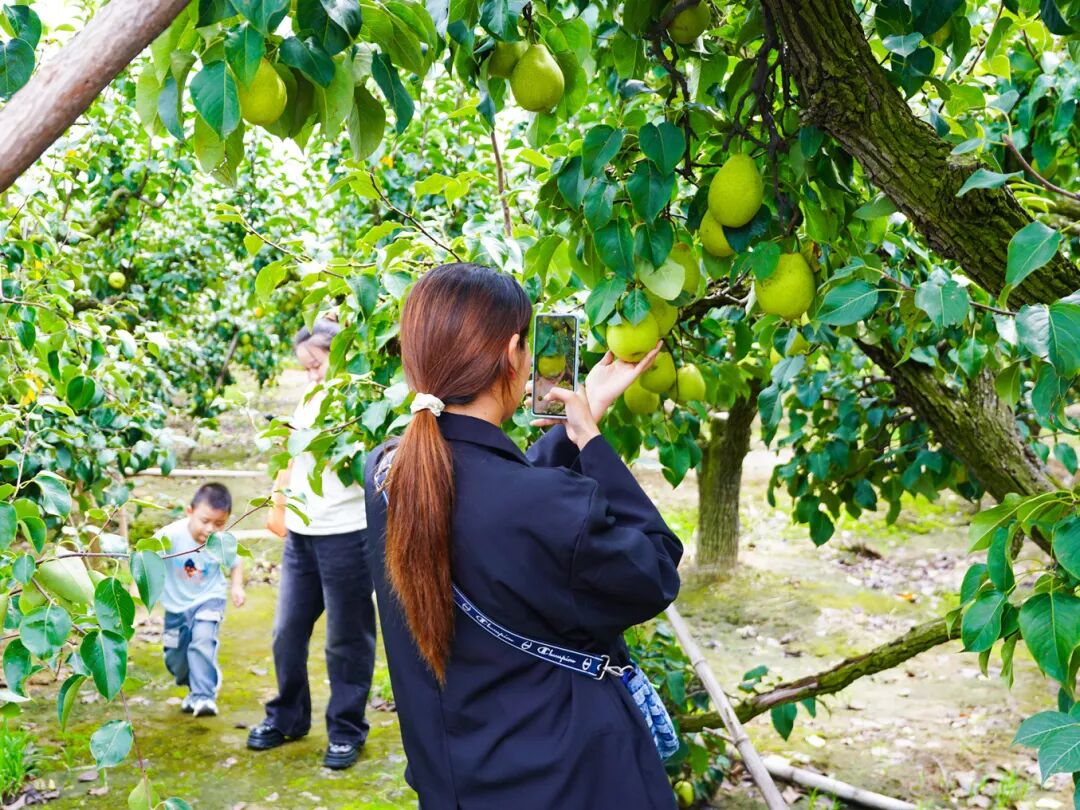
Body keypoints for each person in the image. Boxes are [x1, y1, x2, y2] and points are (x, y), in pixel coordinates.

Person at [364, 263, 683, 809]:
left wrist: (579, 420)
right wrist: (592, 443)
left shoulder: (388, 473)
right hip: (565, 777)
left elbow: (498, 504)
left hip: (458, 779)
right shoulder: (539, 504)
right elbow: (654, 570)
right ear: (512, 352)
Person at [247, 316, 376, 771]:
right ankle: (288, 716)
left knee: (346, 640)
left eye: (316, 363)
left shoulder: (363, 400)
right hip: (303, 536)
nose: (311, 374)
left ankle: (346, 730)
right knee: (287, 633)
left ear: (340, 354)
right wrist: (279, 503)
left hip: (346, 534)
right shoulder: (309, 397)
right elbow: (292, 455)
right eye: (305, 366)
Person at [159, 482, 245, 719]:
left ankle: (204, 695)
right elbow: (145, 558)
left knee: (202, 642)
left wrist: (237, 587)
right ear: (189, 512)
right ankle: (196, 687)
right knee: (175, 659)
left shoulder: (221, 542)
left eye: (219, 524)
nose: (210, 529)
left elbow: (236, 563)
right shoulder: (170, 535)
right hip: (174, 607)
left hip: (209, 599)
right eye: (204, 521)